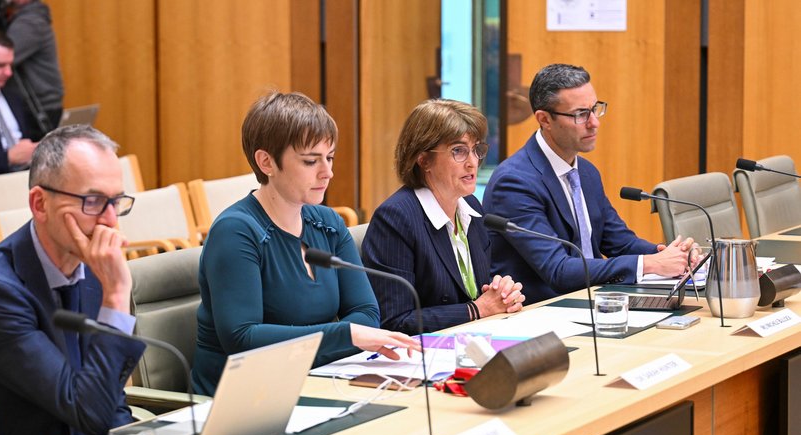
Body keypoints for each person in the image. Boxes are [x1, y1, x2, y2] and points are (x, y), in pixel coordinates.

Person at [191, 92, 420, 396]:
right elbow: (243, 338)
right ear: (266, 162)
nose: (328, 172)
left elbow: (366, 312)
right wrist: (344, 335)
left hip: (315, 381)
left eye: (330, 157)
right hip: (241, 400)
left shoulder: (328, 223)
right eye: (311, 161)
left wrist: (343, 338)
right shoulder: (236, 232)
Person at [0, 125, 145, 435]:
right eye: (92, 201)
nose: (110, 222)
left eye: (116, 202)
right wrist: (116, 295)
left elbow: (112, 399)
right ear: (40, 204)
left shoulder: (93, 268)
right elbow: (86, 411)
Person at [483, 63, 694, 303]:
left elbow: (620, 242)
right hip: (542, 313)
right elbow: (558, 270)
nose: (594, 122)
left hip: (592, 302)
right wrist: (649, 264)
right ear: (544, 119)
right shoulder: (514, 183)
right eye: (580, 114)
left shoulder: (586, 172)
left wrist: (669, 255)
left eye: (595, 109)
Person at [362, 99, 525, 335]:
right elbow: (394, 321)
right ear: (424, 159)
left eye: (476, 150)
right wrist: (476, 310)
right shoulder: (396, 218)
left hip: (472, 341)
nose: (473, 162)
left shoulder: (471, 207)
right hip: (424, 357)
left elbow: (479, 292)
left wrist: (501, 294)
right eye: (458, 151)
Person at [6, 0, 64, 136]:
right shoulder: (27, 17)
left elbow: (1, 56)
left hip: (38, 107)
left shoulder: (30, 22)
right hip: (38, 105)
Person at [0, 27, 37, 174]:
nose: (9, 72)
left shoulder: (12, 95)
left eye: (10, 64)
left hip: (26, 174)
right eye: (0, 65)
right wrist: (8, 157)